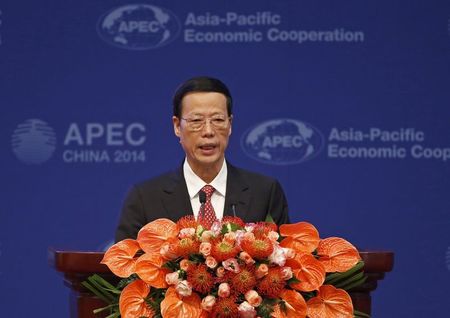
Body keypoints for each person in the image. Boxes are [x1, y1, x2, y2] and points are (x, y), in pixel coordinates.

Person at [115, 76, 290, 241]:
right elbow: (125, 269)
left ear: (230, 125)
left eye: (218, 120)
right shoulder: (145, 199)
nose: (208, 131)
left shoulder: (265, 192)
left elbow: (284, 264)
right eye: (196, 120)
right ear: (177, 126)